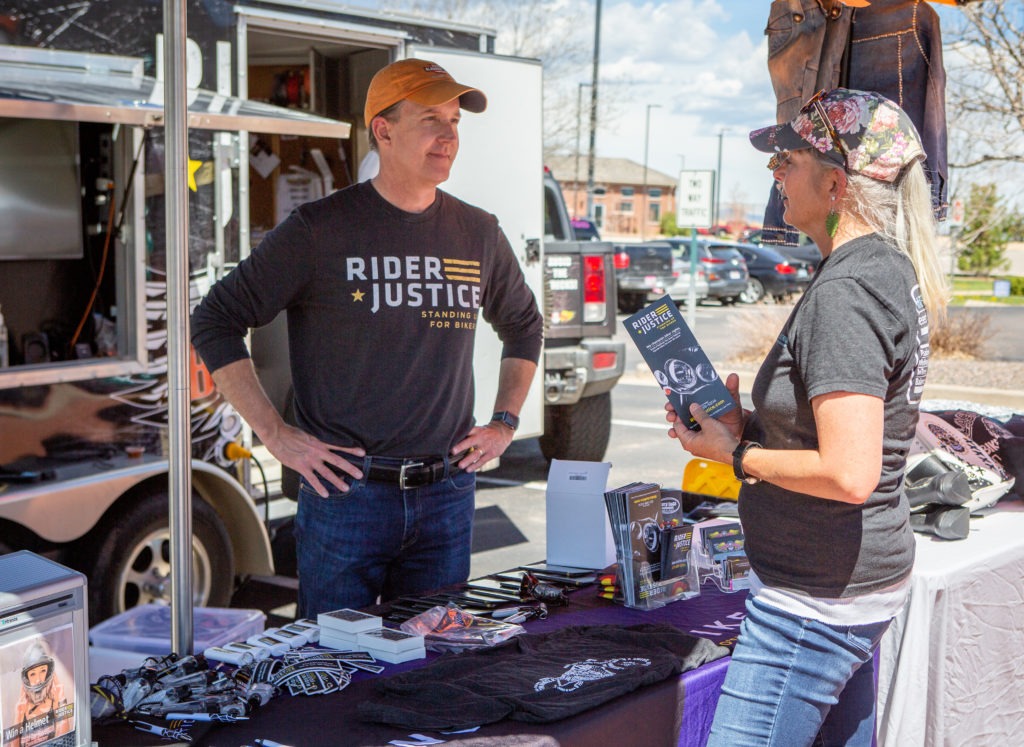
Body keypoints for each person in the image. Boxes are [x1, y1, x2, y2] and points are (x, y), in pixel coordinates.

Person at [191, 58, 543, 618]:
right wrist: (276, 435)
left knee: (430, 670)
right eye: (431, 119)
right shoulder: (319, 229)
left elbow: (524, 325)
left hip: (446, 495)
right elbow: (214, 319)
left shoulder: (477, 232)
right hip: (346, 496)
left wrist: (504, 424)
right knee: (331, 672)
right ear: (383, 129)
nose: (449, 136)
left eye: (455, 121)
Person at [666, 88, 948, 746]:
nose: (776, 178)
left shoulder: (848, 291)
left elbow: (849, 472)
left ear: (835, 183)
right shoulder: (878, 270)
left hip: (813, 601)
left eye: (785, 161)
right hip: (847, 584)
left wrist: (736, 456)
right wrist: (747, 427)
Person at [11, 639, 72, 747]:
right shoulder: (22, 708)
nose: (38, 679)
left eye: (43, 671)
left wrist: (61, 701)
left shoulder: (55, 702)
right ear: (27, 678)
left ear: (49, 672)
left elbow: (65, 743)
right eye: (33, 674)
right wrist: (19, 715)